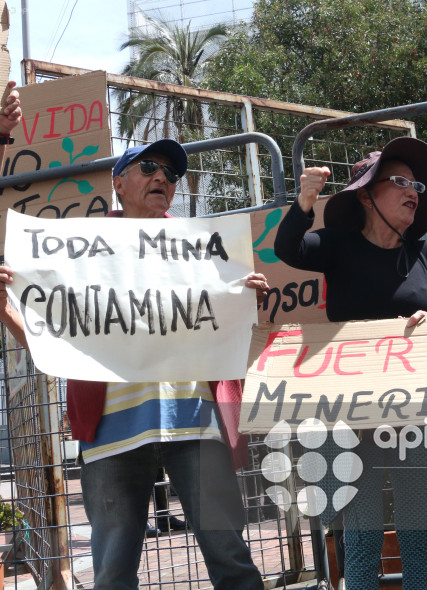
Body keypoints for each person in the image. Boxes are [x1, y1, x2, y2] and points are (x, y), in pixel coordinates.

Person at [0, 138, 267, 590]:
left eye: (171, 172)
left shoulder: (205, 249)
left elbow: (234, 338)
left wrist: (245, 305)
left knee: (233, 560)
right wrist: (5, 308)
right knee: (112, 573)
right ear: (118, 182)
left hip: (196, 426)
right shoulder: (77, 251)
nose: (162, 177)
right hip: (110, 437)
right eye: (149, 167)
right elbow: (52, 346)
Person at [274, 136, 427, 590]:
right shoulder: (337, 245)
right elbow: (287, 249)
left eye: (417, 183)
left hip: (419, 411)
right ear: (366, 195)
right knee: (361, 534)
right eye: (400, 180)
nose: (413, 189)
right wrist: (305, 201)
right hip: (350, 415)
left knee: (419, 532)